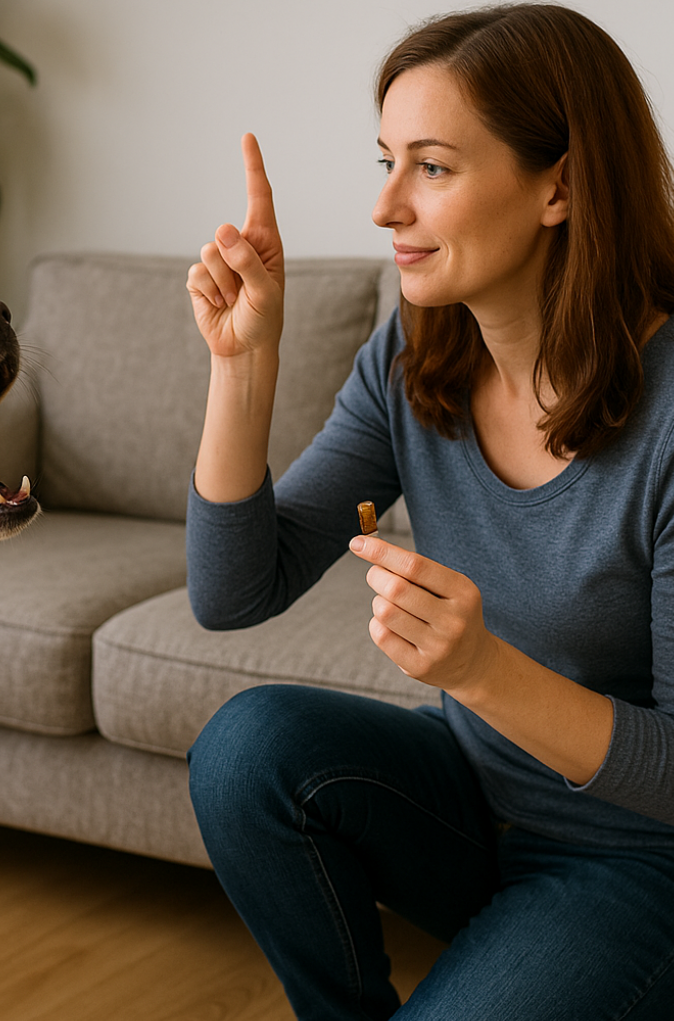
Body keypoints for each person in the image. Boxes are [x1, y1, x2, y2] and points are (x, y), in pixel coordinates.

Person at [183, 4, 674, 1020]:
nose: (384, 207)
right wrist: (242, 365)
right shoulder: (415, 359)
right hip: (472, 803)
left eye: (433, 167)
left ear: (562, 186)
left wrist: (480, 670)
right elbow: (234, 593)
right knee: (247, 746)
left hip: (638, 858)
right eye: (386, 160)